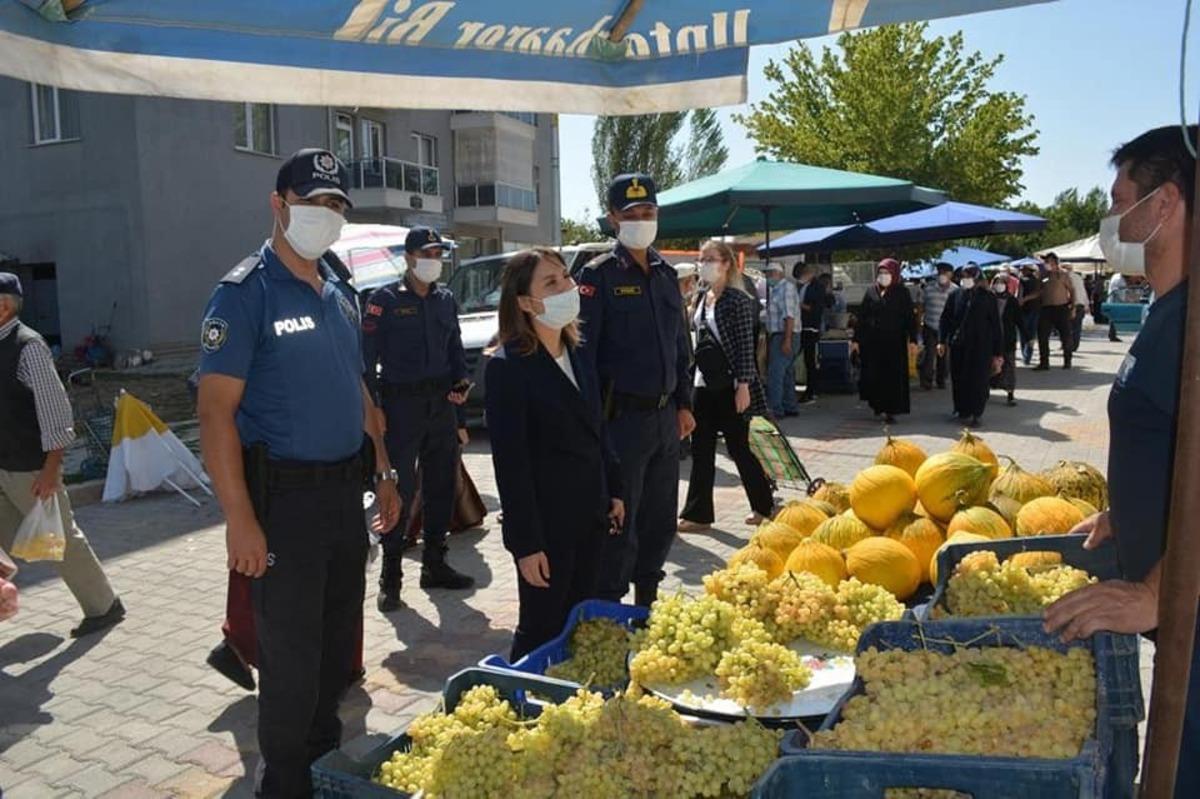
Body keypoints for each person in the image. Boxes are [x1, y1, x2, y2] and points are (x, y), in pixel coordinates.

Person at [196, 148, 400, 797]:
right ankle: (283, 783)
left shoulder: (338, 290)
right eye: (314, 202)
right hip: (282, 505)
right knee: (289, 663)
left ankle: (323, 769)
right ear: (278, 204)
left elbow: (360, 392)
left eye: (336, 205)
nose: (326, 215)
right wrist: (239, 522)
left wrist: (387, 470)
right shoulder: (245, 292)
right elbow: (214, 414)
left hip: (346, 496)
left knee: (336, 654)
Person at [1044, 124, 1197, 799]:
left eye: (1118, 199)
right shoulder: (1167, 309)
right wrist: (1128, 510)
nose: (1111, 218)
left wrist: (1157, 592)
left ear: (1162, 204)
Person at [486, 248, 625, 660]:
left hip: (591, 514)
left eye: (565, 277)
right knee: (541, 626)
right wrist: (526, 544)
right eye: (551, 282)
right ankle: (516, 701)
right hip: (548, 527)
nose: (566, 286)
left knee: (578, 619)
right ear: (526, 302)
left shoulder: (579, 352)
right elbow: (511, 465)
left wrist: (614, 488)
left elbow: (598, 429)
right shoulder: (507, 367)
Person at [577, 173, 695, 608]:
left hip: (665, 419)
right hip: (621, 421)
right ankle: (610, 609)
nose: (642, 220)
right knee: (620, 521)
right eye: (631, 215)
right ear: (612, 219)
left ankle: (647, 602)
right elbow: (585, 360)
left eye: (649, 213)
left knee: (660, 520)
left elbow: (680, 344)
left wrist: (685, 403)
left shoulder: (666, 274)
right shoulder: (599, 276)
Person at [0, 272, 124, 638]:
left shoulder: (28, 347)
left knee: (61, 539)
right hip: (3, 463)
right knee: (11, 539)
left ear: (4, 306)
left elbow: (55, 412)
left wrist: (52, 468)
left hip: (30, 468)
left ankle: (104, 605)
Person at [363, 226, 476, 613]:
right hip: (400, 409)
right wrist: (374, 406)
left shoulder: (445, 299)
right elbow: (365, 359)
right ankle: (390, 577)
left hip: (440, 406)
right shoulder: (385, 300)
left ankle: (435, 564)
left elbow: (455, 349)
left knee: (442, 485)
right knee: (401, 489)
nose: (433, 261)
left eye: (437, 254)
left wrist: (460, 389)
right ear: (409, 258)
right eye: (426, 254)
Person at [678, 240, 775, 533]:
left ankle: (764, 507)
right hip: (703, 384)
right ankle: (698, 513)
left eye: (711, 258)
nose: (704, 263)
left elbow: (746, 346)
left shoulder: (738, 300)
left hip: (732, 385)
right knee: (702, 448)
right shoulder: (702, 296)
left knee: (740, 447)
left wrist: (743, 384)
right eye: (702, 257)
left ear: (727, 263)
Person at [852, 259, 918, 424]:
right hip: (873, 344)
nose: (884, 276)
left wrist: (913, 339)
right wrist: (856, 340)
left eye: (887, 273)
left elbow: (910, 317)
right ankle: (878, 406)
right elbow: (862, 318)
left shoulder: (901, 293)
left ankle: (891, 410)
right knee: (875, 375)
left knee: (892, 377)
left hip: (894, 342)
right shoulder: (871, 292)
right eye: (881, 273)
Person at [939, 264, 1003, 427]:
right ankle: (961, 410)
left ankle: (976, 413)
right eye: (963, 276)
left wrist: (998, 353)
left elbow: (996, 325)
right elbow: (945, 319)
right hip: (959, 345)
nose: (965, 279)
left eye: (968, 276)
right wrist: (941, 340)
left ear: (976, 277)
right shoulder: (955, 295)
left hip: (980, 346)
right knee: (958, 378)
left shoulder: (987, 297)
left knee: (978, 380)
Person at [763, 261, 801, 417]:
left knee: (775, 374)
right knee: (786, 374)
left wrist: (786, 340)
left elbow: (789, 317)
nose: (767, 277)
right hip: (782, 335)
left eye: (769, 273)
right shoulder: (776, 290)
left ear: (777, 273)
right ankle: (790, 406)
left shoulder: (785, 289)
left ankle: (776, 409)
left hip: (784, 335)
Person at [918, 262, 957, 390]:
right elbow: (920, 307)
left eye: (945, 273)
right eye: (940, 273)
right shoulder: (928, 288)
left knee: (944, 357)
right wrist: (919, 323)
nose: (942, 276)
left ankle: (941, 379)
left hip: (946, 329)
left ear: (951, 274)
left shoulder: (955, 290)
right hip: (930, 325)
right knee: (929, 355)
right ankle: (926, 381)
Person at [1035, 252, 1075, 370]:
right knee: (1042, 336)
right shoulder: (1043, 275)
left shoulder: (1063, 275)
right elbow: (1039, 292)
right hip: (1046, 309)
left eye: (1050, 262)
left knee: (1066, 336)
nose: (1048, 264)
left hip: (1061, 308)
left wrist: (1073, 307)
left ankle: (1067, 361)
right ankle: (1044, 362)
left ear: (1056, 263)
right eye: (1046, 262)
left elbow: (1072, 291)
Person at [796, 264, 828, 403]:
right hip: (801, 326)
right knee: (802, 358)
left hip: (811, 327)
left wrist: (799, 305)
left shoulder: (817, 287)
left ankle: (811, 390)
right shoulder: (804, 286)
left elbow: (815, 308)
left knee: (810, 360)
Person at [990, 273, 1022, 407]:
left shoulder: (1012, 301)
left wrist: (1028, 336)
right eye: (997, 282)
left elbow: (1019, 320)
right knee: (989, 365)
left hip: (1008, 338)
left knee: (1009, 365)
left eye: (1002, 282)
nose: (999, 285)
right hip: (991, 338)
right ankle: (987, 389)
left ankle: (1010, 393)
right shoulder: (988, 299)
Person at [1018, 263, 1043, 364]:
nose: (1021, 271)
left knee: (1024, 333)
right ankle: (1028, 354)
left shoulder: (1022, 281)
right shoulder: (1038, 281)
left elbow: (1019, 294)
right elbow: (1039, 293)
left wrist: (1023, 300)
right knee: (1032, 333)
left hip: (1024, 310)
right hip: (1036, 309)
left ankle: (1026, 355)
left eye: (1023, 269)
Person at [1064, 262, 1089, 353]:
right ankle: (1074, 345)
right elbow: (1084, 292)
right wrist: (1087, 305)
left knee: (1068, 327)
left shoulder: (1066, 277)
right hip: (1081, 304)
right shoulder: (1078, 277)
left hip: (1070, 305)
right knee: (1077, 327)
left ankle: (1069, 345)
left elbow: (1069, 292)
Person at [1107, 272, 1127, 342]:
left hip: (1114, 299)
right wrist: (1123, 300)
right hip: (1115, 300)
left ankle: (1112, 334)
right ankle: (1112, 335)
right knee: (1113, 318)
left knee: (1112, 318)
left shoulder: (1116, 276)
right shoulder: (1119, 279)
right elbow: (1119, 291)